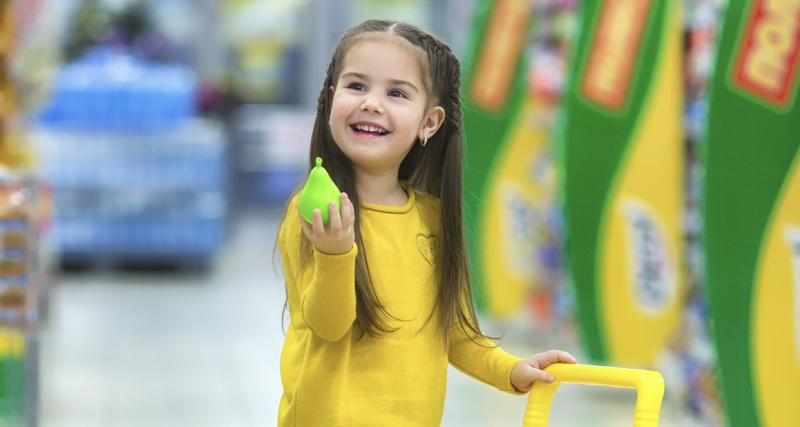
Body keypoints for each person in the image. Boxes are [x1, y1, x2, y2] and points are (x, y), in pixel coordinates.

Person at [276, 19, 576, 426]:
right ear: (330, 98)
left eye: (396, 93)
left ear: (429, 123)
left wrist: (510, 371)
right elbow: (329, 327)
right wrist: (335, 253)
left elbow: (453, 333)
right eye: (356, 86)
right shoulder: (316, 210)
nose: (372, 103)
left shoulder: (432, 218)